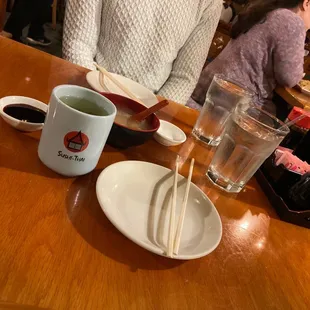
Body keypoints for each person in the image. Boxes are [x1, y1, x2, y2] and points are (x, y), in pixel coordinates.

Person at [62, 0, 222, 105]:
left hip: (147, 115)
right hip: (87, 93)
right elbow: (78, 43)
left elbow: (184, 77)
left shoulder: (211, 3)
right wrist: (96, 102)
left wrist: (149, 115)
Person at [190, 0, 310, 113]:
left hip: (203, 91)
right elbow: (289, 78)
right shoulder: (292, 21)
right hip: (233, 105)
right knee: (283, 123)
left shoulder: (264, 10)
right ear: (306, 3)